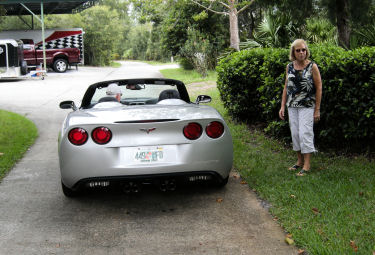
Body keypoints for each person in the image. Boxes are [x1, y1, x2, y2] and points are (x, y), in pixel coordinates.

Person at [279, 39, 322, 176]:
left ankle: (307, 164)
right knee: (295, 134)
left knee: (305, 133)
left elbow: (319, 87)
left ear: (306, 51)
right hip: (292, 105)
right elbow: (286, 86)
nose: (301, 52)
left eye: (303, 49)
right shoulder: (289, 66)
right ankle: (299, 161)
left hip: (307, 106)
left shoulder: (312, 66)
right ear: (293, 52)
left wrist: (317, 109)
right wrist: (282, 106)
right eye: (298, 50)